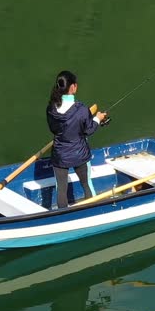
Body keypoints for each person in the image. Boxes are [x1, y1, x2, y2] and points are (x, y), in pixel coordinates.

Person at [45, 70, 107, 209]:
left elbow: (53, 129)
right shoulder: (81, 109)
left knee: (61, 190)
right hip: (79, 154)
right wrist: (98, 118)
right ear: (73, 87)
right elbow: (88, 130)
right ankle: (91, 211)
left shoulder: (51, 108)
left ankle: (62, 217)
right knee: (86, 184)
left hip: (60, 155)